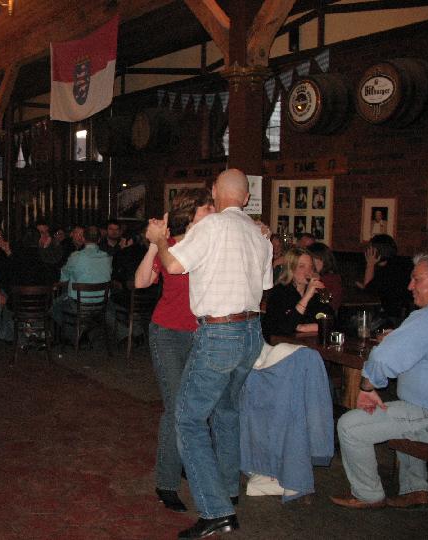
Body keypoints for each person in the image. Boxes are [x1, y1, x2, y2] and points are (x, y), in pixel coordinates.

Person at [146, 169, 272, 539]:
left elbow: (173, 265)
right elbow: (264, 285)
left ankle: (216, 511)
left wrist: (159, 240)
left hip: (220, 333)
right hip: (252, 332)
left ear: (215, 192)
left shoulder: (211, 226)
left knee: (187, 419)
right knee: (227, 412)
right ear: (246, 198)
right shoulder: (259, 235)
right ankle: (228, 490)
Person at [330, 251, 428, 510]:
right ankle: (416, 489)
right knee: (402, 409)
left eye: (417, 279)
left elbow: (383, 358)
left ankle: (368, 495)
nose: (410, 286)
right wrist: (399, 338)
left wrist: (367, 387)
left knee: (350, 425)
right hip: (423, 408)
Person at [135, 188, 214, 514]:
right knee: (176, 406)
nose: (213, 210)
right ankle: (166, 482)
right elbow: (141, 282)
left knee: (197, 406)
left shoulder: (213, 244)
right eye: (207, 207)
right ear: (191, 213)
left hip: (203, 334)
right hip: (167, 333)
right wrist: (155, 243)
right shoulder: (170, 245)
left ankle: (183, 458)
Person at [262, 248, 335, 341]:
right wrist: (306, 297)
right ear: (291, 269)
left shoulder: (314, 293)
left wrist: (303, 327)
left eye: (311, 267)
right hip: (282, 345)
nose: (308, 271)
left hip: (309, 343)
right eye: (302, 266)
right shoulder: (279, 292)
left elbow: (330, 322)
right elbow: (284, 328)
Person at [52, 225, 112, 333]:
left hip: (78, 305)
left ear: (83, 238)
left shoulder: (76, 256)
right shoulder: (107, 257)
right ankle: (86, 332)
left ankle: (74, 335)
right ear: (99, 240)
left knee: (54, 307)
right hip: (102, 304)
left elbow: (63, 278)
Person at [357, 234, 413, 326]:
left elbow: (370, 293)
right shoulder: (396, 263)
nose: (367, 251)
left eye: (370, 249)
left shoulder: (391, 270)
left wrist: (370, 264)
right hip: (398, 315)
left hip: (394, 318)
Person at [308, 242, 343, 313]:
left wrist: (318, 283)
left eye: (313, 259)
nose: (310, 263)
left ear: (324, 259)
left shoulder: (332, 279)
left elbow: (331, 304)